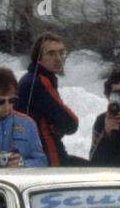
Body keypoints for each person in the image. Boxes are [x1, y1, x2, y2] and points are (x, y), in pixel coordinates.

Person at [16, 32, 79, 166]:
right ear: (38, 59)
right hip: (46, 157)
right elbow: (71, 123)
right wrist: (56, 126)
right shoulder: (40, 81)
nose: (58, 58)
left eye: (61, 53)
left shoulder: (32, 78)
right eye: (51, 54)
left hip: (33, 154)